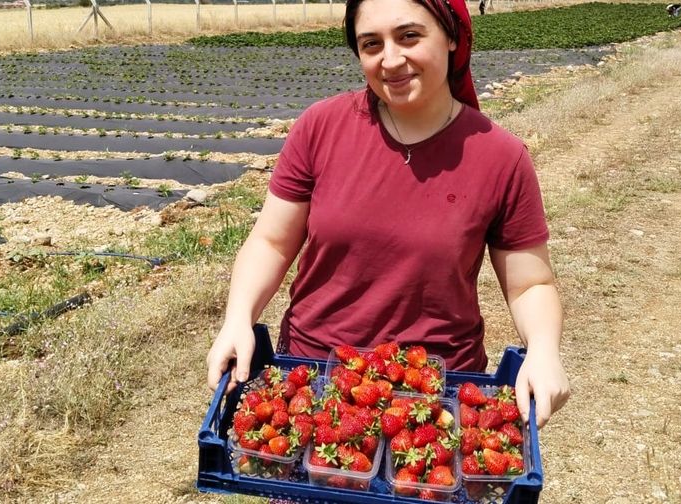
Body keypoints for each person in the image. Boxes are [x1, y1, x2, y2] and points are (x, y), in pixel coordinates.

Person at [206, 0, 570, 429]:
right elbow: (271, 241)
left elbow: (530, 283)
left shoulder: (500, 157)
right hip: (312, 380)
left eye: (409, 36)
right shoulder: (320, 128)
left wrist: (544, 349)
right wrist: (238, 318)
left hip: (436, 391)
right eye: (371, 44)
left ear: (451, 36)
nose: (391, 60)